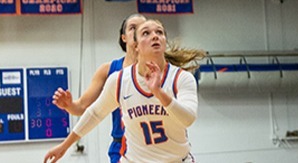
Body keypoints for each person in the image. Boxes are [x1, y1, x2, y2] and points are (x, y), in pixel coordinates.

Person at [43, 19, 205, 163]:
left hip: (176, 160)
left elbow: (188, 119)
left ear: (164, 41)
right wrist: (64, 146)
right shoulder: (119, 80)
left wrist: (159, 92)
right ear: (136, 45)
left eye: (159, 32)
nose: (155, 36)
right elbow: (95, 113)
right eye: (146, 33)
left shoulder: (181, 78)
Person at [52, 13, 147, 163]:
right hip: (123, 145)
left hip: (154, 145)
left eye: (143, 28)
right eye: (133, 28)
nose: (138, 32)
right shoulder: (109, 70)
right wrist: (69, 106)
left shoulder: (159, 69)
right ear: (123, 37)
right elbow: (83, 107)